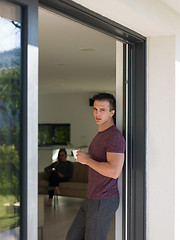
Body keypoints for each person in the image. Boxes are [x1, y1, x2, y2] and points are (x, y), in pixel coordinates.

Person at [66, 93, 125, 240]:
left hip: (103, 199)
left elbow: (114, 171)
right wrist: (87, 158)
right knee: (72, 237)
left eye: (102, 110)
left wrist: (87, 161)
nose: (97, 114)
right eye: (95, 109)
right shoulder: (101, 135)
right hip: (91, 198)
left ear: (112, 112)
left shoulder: (114, 137)